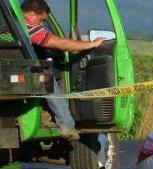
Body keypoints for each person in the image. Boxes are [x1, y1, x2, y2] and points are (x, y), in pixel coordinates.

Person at [22, 0, 105, 140]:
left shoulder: (8, 23)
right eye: (41, 20)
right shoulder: (28, 26)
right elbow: (63, 44)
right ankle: (67, 126)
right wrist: (92, 44)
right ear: (31, 14)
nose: (42, 25)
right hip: (19, 74)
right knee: (45, 78)